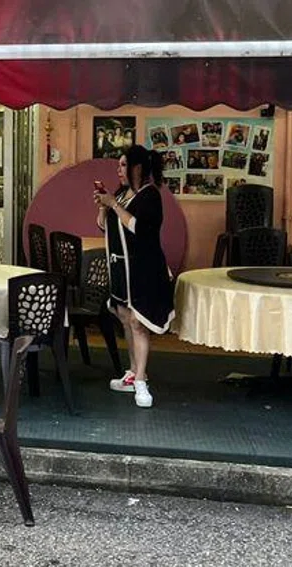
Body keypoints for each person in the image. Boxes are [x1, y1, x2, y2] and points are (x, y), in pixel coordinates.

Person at [93, 145, 175, 409]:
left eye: (123, 165)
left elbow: (138, 227)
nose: (118, 170)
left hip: (143, 270)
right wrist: (103, 207)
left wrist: (113, 205)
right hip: (121, 269)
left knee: (139, 323)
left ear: (136, 168)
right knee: (126, 320)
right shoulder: (122, 194)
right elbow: (105, 226)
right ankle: (133, 371)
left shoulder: (151, 196)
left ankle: (141, 379)